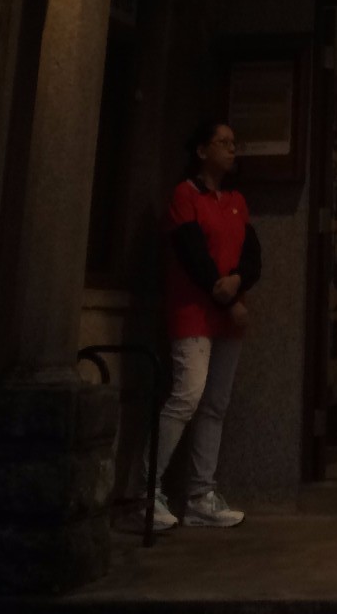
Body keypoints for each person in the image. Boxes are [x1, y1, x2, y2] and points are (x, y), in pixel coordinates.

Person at [122, 119, 258, 531]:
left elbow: (252, 254)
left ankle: (200, 496)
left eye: (234, 143)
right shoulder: (185, 195)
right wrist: (229, 298)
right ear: (201, 150)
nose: (231, 149)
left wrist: (238, 281)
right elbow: (192, 255)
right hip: (194, 312)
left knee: (214, 405)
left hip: (228, 316)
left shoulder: (236, 200)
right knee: (187, 396)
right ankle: (144, 493)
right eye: (223, 142)